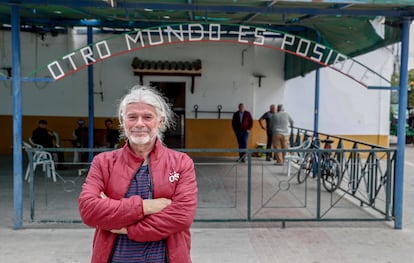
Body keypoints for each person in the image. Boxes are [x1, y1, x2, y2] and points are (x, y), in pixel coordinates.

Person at [78, 85, 198, 263]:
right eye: (132, 117)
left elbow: (181, 216)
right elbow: (89, 211)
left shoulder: (181, 163)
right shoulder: (103, 163)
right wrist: (146, 207)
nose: (139, 123)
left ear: (160, 121)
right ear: (123, 121)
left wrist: (126, 227)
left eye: (147, 117)